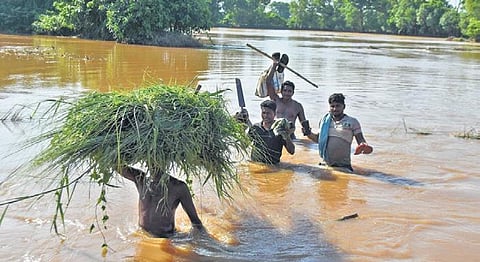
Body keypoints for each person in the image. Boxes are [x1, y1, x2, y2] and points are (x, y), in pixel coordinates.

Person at [115, 165, 204, 238]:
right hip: (142, 234)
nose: (154, 163)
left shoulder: (178, 187)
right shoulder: (140, 178)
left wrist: (204, 245)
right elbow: (116, 165)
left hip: (168, 238)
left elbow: (196, 222)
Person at [304, 93, 372, 172]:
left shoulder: (352, 122)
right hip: (325, 164)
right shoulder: (324, 121)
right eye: (332, 106)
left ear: (344, 107)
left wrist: (363, 145)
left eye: (338, 106)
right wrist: (308, 133)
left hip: (344, 166)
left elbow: (360, 139)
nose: (335, 109)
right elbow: (318, 139)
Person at [235, 100, 295, 165]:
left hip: (273, 167)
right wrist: (242, 129)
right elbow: (244, 146)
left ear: (274, 113)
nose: (265, 115)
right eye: (263, 113)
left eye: (268, 113)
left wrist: (286, 136)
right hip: (256, 165)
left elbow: (292, 151)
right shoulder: (256, 128)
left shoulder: (280, 129)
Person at [265, 57, 311, 138]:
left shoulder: (297, 106)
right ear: (281, 91)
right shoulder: (275, 100)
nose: (287, 93)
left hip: (290, 135)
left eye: (289, 91)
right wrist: (274, 65)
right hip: (276, 132)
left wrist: (307, 131)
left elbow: (303, 122)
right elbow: (268, 82)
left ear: (293, 92)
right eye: (285, 91)